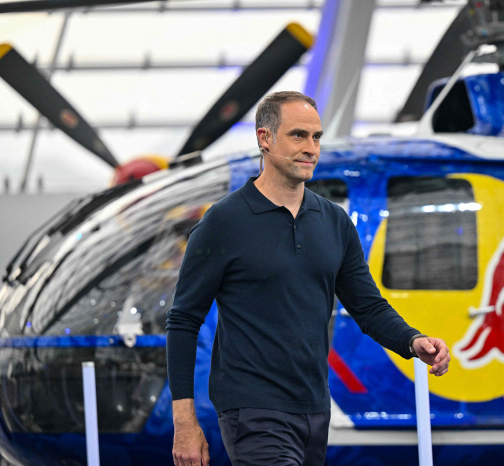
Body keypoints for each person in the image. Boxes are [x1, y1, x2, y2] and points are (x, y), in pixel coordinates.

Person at [166, 91, 450, 466]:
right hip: (252, 409)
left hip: (315, 408)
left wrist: (412, 340)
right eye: (298, 135)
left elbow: (368, 307)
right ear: (264, 138)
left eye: (316, 137)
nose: (311, 148)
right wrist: (184, 422)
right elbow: (183, 320)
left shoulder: (333, 222)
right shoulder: (222, 223)